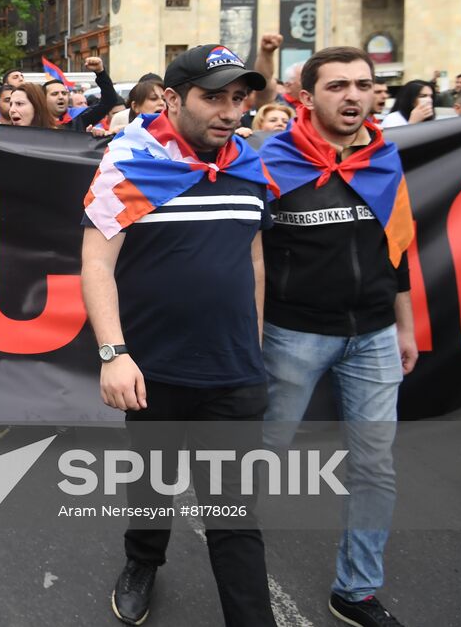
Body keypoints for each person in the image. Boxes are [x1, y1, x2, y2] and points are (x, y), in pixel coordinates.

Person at [81, 43, 276, 627]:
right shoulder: (129, 164)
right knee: (152, 483)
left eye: (239, 98)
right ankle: (143, 560)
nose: (229, 111)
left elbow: (254, 262)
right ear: (171, 98)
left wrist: (257, 345)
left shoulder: (248, 165)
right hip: (155, 370)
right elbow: (96, 265)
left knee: (234, 515)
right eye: (213, 97)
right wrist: (114, 354)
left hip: (235, 374)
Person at [258, 46, 418, 627]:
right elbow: (247, 258)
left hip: (374, 335)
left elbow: (397, 248)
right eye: (337, 86)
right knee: (262, 456)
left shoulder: (384, 159)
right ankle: (230, 549)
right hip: (292, 336)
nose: (353, 96)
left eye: (363, 84)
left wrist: (405, 324)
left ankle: (356, 590)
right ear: (306, 97)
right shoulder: (270, 162)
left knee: (375, 465)